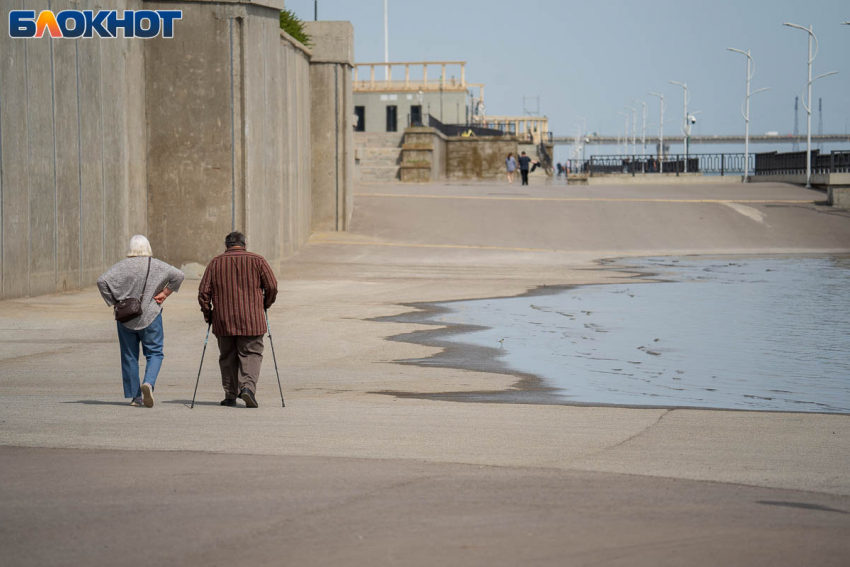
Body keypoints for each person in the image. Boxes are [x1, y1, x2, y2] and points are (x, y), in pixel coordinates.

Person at [97, 235, 185, 407]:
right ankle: (149, 383)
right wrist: (165, 293)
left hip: (126, 318)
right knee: (155, 352)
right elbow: (179, 275)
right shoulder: (157, 264)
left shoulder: (122, 266)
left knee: (129, 355)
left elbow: (102, 281)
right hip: (151, 315)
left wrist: (114, 301)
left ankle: (136, 397)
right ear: (148, 248)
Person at [198, 231, 278, 408]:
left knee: (227, 356)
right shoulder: (258, 260)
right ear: (244, 244)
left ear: (226, 245)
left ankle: (230, 395)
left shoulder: (215, 263)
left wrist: (208, 314)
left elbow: (203, 292)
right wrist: (266, 303)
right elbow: (272, 285)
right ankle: (248, 388)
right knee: (251, 353)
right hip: (252, 319)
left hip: (223, 319)